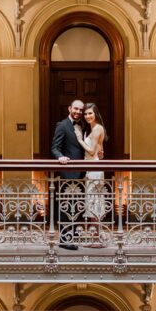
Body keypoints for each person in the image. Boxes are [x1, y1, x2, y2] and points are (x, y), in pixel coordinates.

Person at [51, 99, 87, 250]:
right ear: (69, 108)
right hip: (68, 173)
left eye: (80, 110)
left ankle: (72, 233)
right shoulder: (62, 125)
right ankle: (64, 239)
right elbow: (55, 147)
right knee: (66, 205)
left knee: (77, 205)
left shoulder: (84, 125)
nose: (78, 112)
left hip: (81, 173)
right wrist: (60, 157)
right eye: (76, 109)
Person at [75, 103, 108, 247]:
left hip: (94, 169)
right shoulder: (93, 128)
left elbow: (91, 151)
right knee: (92, 202)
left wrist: (80, 139)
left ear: (96, 114)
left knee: (94, 202)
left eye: (90, 113)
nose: (88, 116)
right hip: (92, 167)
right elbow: (100, 153)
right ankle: (94, 236)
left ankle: (96, 239)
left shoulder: (98, 128)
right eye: (86, 114)